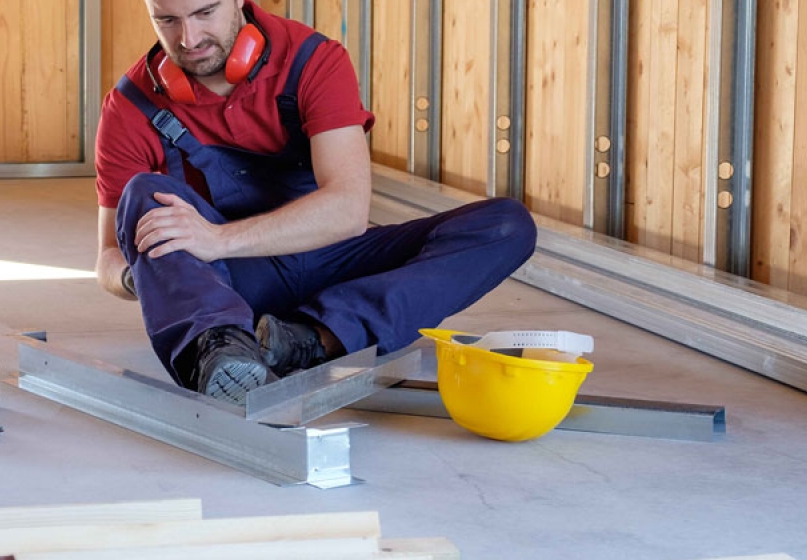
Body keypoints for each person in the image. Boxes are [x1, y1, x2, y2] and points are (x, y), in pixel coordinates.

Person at [94, 0, 537, 405]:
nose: (188, 40)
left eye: (204, 13)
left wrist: (217, 239)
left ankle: (310, 338)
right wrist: (157, 272)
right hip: (230, 284)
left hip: (332, 255)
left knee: (506, 225)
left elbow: (346, 212)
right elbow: (108, 259)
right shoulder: (129, 106)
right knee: (144, 193)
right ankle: (221, 350)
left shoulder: (311, 61)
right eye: (167, 20)